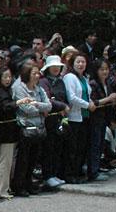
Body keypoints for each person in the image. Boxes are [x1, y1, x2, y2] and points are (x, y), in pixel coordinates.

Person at [13, 62, 50, 196]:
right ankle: (19, 185)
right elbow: (26, 109)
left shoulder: (39, 89)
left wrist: (37, 105)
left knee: (33, 158)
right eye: (34, 73)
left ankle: (29, 183)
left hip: (39, 127)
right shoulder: (19, 88)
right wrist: (40, 109)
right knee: (23, 159)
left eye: (38, 73)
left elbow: (49, 106)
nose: (37, 75)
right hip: (26, 127)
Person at [63, 54, 96, 183]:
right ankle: (70, 174)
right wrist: (88, 105)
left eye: (83, 62)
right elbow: (71, 97)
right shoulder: (70, 77)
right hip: (74, 117)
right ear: (73, 63)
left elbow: (87, 95)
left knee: (81, 147)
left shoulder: (84, 78)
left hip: (85, 117)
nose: (81, 64)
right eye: (78, 62)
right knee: (72, 148)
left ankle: (77, 172)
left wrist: (90, 103)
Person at [39, 55, 69, 188]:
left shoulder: (61, 82)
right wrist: (61, 106)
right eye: (53, 66)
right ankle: (47, 175)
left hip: (60, 118)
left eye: (58, 66)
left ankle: (54, 173)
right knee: (48, 148)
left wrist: (64, 106)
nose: (56, 68)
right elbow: (47, 99)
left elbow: (64, 97)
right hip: (48, 118)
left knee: (58, 146)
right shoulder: (44, 81)